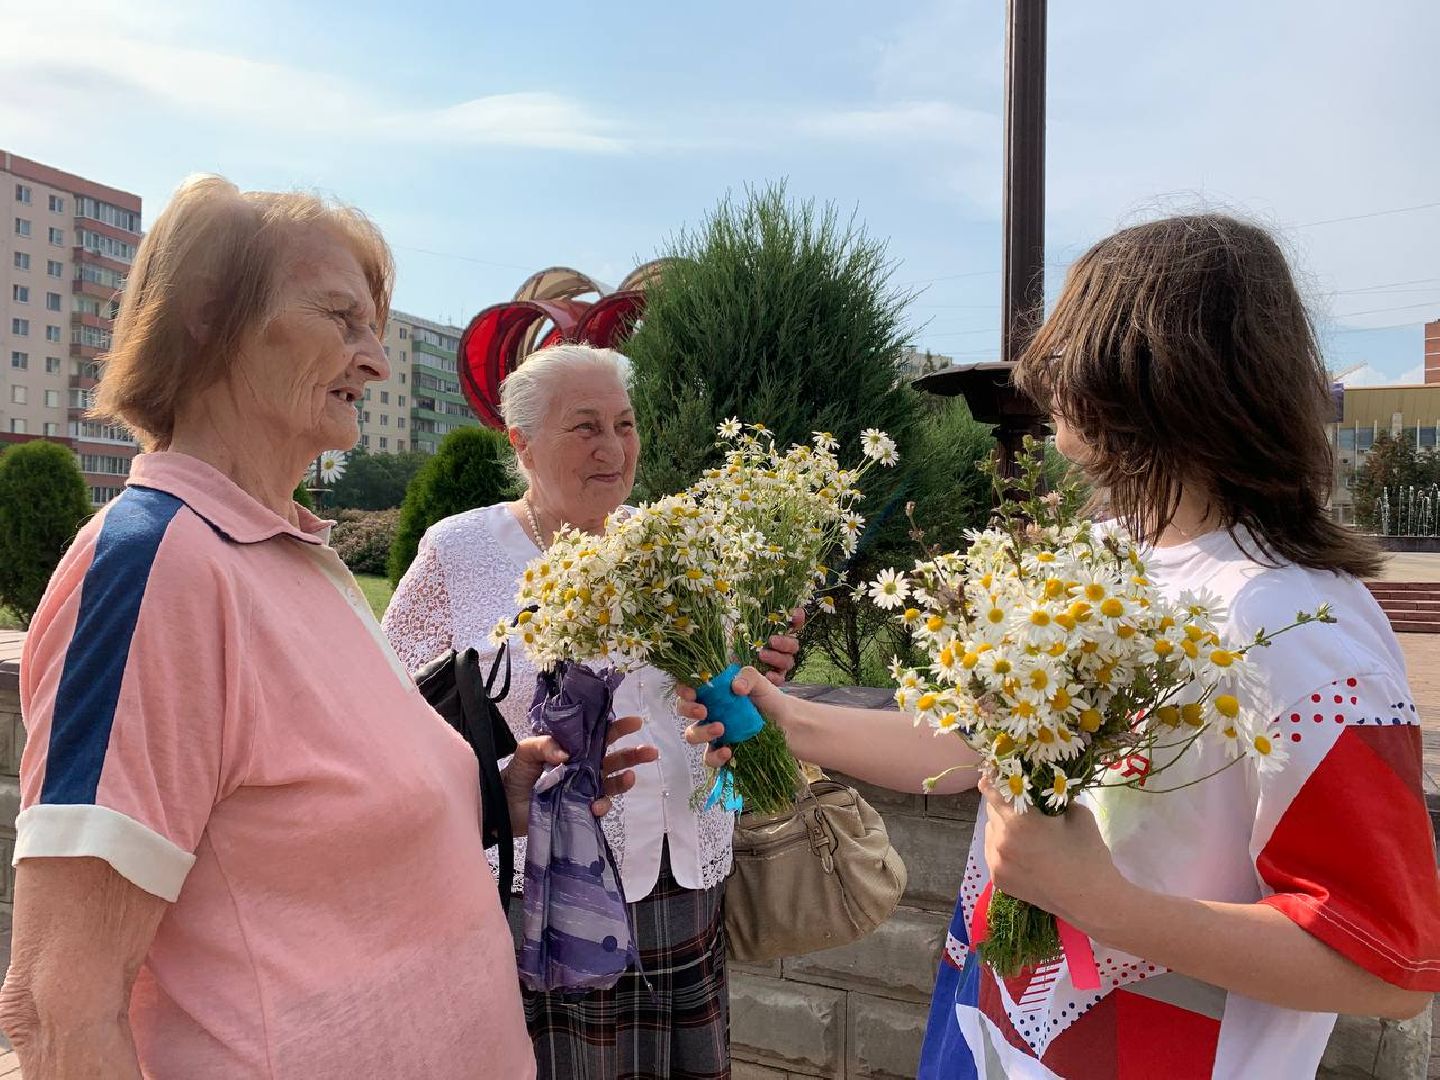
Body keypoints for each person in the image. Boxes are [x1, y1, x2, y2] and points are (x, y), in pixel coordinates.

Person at [682, 215, 1440, 1077]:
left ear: (1139, 366)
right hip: (991, 1026)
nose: (1041, 372)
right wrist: (790, 721)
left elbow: (1387, 962)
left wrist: (1098, 902)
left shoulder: (1303, 626)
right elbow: (975, 747)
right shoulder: (1112, 562)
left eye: (1069, 334)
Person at [0, 176, 651, 1079]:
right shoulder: (157, 568)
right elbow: (60, 1011)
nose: (376, 360)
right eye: (341, 319)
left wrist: (492, 798)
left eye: (374, 328)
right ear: (206, 315)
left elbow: (305, 830)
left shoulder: (290, 555)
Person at [382, 343, 801, 1079]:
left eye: (626, 424)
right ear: (523, 444)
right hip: (545, 884)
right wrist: (507, 772)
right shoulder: (462, 551)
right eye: (585, 427)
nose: (613, 447)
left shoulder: (677, 543)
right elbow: (389, 710)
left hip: (681, 875)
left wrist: (758, 667)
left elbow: (725, 686)